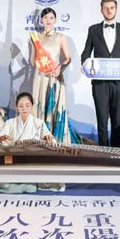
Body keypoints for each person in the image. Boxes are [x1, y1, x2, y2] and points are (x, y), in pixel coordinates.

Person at [80, 0, 120, 147]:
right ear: (101, 10)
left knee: (117, 119)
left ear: (116, 9)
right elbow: (86, 52)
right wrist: (85, 64)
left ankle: (116, 151)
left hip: (119, 82)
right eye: (106, 8)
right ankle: (103, 151)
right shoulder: (93, 30)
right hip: (99, 83)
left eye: (112, 7)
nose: (109, 10)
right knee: (101, 120)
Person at [29, 8, 81, 144]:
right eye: (45, 17)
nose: (48, 20)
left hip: (54, 77)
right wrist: (33, 46)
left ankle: (56, 138)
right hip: (39, 77)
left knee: (54, 107)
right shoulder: (35, 37)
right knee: (39, 105)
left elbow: (68, 58)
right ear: (41, 20)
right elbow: (33, 63)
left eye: (51, 17)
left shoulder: (60, 37)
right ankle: (40, 139)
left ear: (55, 20)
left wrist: (60, 68)